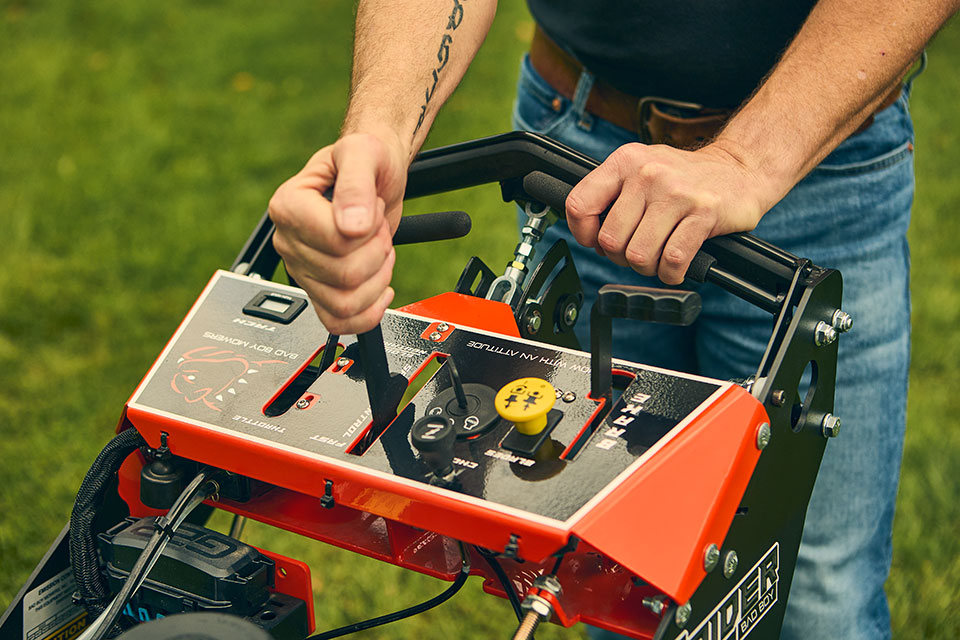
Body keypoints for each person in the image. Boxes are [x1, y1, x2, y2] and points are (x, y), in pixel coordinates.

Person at [267, 2, 959, 638]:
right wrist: (381, 132)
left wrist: (747, 159)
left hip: (824, 166)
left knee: (814, 591)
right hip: (581, 164)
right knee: (617, 574)